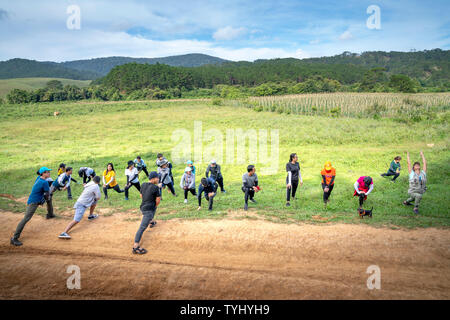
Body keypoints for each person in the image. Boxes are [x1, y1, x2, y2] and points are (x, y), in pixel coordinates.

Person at [10, 167, 52, 246]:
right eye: (48, 172)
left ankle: (50, 214)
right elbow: (47, 195)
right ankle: (14, 238)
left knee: (26, 218)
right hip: (33, 202)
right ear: (43, 173)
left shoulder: (38, 178)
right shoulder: (45, 182)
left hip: (32, 199)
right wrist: (45, 199)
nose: (49, 173)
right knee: (26, 219)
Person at [132, 171, 161, 254]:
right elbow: (158, 201)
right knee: (142, 228)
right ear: (153, 179)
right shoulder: (156, 188)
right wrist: (152, 204)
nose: (158, 179)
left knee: (153, 208)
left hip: (142, 207)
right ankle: (135, 247)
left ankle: (151, 221)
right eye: (157, 178)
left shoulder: (143, 184)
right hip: (148, 211)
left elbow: (141, 196)